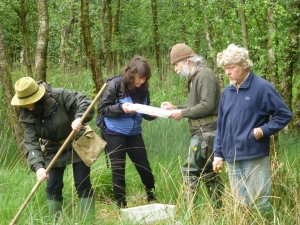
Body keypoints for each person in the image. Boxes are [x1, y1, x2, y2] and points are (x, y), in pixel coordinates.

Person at [213, 44, 292, 214]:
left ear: (244, 65)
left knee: (260, 205)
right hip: (232, 158)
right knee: (240, 207)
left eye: (231, 68)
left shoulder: (262, 87)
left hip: (254, 156)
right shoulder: (227, 91)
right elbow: (221, 125)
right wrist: (218, 154)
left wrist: (263, 130)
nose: (227, 73)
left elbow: (284, 115)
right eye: (225, 68)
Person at [11, 77, 95, 222]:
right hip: (52, 148)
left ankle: (89, 221)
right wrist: (38, 167)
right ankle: (56, 222)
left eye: (26, 102)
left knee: (82, 183)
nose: (24, 106)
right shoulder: (25, 114)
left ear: (36, 97)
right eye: (22, 103)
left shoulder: (58, 95)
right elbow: (30, 142)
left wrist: (79, 118)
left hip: (76, 141)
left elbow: (85, 101)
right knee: (53, 187)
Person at [161, 43, 224, 208]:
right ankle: (220, 212)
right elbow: (197, 106)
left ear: (187, 61)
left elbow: (207, 106)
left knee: (190, 172)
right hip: (203, 133)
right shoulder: (196, 76)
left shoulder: (205, 75)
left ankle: (189, 214)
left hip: (205, 134)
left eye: (176, 65)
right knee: (210, 173)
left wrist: (182, 113)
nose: (175, 69)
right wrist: (177, 108)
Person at [96, 55, 156, 208]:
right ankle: (121, 206)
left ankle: (152, 196)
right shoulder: (115, 84)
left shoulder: (143, 89)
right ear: (131, 74)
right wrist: (121, 108)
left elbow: (144, 110)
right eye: (140, 78)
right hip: (114, 132)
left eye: (145, 79)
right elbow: (102, 109)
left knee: (144, 167)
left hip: (134, 133)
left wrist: (152, 114)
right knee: (118, 170)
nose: (142, 81)